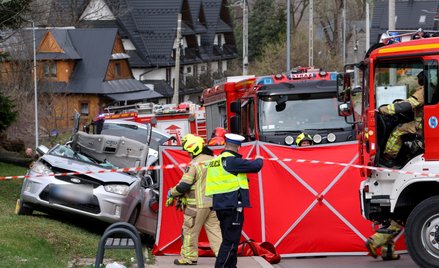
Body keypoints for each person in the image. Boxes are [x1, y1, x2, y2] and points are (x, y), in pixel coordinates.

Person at [205, 133, 264, 268]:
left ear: (225, 145)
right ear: (238, 147)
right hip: (232, 206)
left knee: (230, 240)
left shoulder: (216, 161)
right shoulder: (232, 161)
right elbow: (256, 166)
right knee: (230, 242)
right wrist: (260, 158)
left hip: (220, 205)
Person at [166, 134, 222, 265]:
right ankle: (223, 257)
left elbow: (184, 185)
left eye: (189, 151)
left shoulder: (195, 164)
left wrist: (172, 193)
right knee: (215, 232)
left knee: (189, 231)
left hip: (196, 205)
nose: (188, 154)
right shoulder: (214, 160)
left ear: (194, 149)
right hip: (213, 204)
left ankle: (189, 258)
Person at [379, 71, 425, 167]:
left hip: (421, 126)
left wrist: (383, 110)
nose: (418, 81)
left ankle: (388, 157)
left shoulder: (423, 91)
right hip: (424, 124)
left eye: (419, 79)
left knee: (398, 130)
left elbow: (406, 105)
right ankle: (405, 153)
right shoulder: (430, 89)